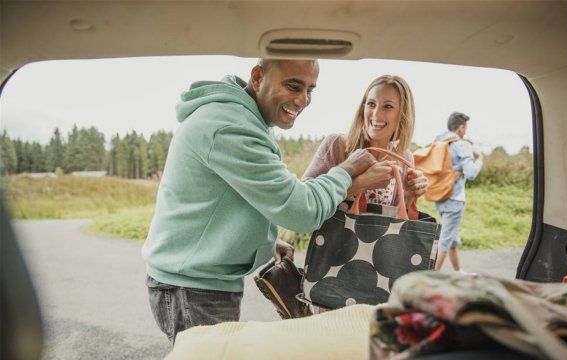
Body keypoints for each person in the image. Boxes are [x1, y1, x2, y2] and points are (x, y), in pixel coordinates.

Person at [141, 59, 385, 343]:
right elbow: (300, 210)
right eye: (293, 86)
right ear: (257, 77)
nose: (303, 100)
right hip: (192, 289)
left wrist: (264, 240)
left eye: (310, 90)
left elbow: (241, 196)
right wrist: (346, 172)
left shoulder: (245, 118)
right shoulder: (230, 126)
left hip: (199, 282)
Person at [303, 75, 428, 211]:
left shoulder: (404, 158)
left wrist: (408, 195)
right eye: (371, 104)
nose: (376, 114)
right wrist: (360, 184)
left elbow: (396, 219)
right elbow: (303, 201)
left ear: (403, 114)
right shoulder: (336, 145)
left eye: (388, 106)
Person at [433, 112, 483, 273]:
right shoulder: (462, 145)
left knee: (452, 239)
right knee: (445, 242)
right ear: (461, 128)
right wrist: (479, 158)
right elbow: (471, 173)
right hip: (454, 198)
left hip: (440, 196)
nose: (466, 131)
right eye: (465, 127)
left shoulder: (439, 142)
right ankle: (429, 278)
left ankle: (458, 273)